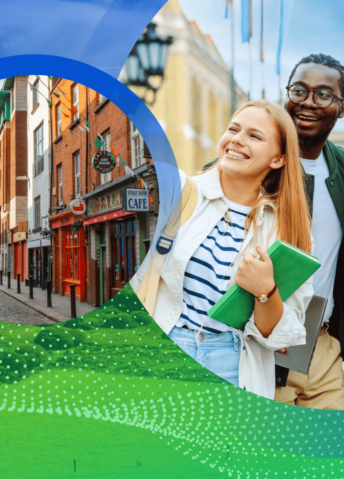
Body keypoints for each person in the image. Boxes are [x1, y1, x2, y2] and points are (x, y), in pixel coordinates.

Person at [131, 100, 314, 399]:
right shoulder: (181, 193)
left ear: (279, 159)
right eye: (233, 129)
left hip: (234, 365)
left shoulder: (287, 228)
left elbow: (279, 337)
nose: (238, 139)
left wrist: (265, 290)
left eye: (255, 136)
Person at [272, 54, 344, 410]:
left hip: (322, 344)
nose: (308, 102)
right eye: (299, 90)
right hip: (261, 343)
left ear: (342, 108)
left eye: (323, 95)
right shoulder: (258, 155)